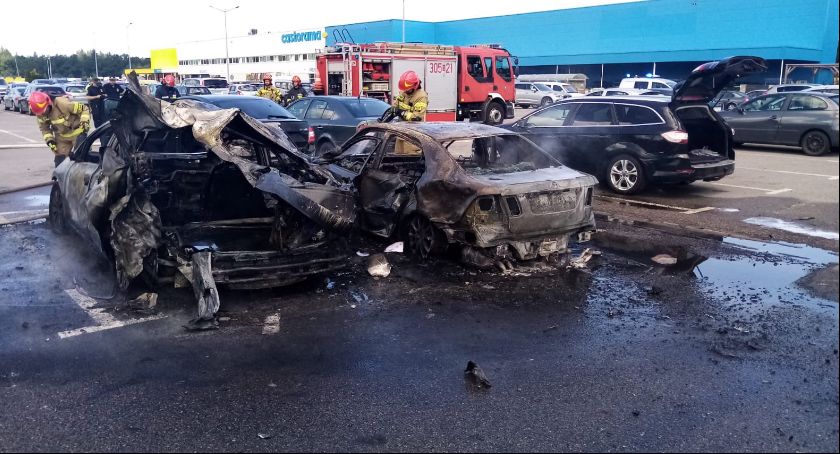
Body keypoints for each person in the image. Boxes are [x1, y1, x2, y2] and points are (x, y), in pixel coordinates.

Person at [29, 91, 91, 167]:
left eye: (44, 111)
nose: (42, 114)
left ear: (48, 103)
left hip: (77, 133)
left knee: (82, 158)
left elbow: (84, 109)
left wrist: (84, 121)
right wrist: (50, 140)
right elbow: (44, 129)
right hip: (62, 137)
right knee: (60, 163)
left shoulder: (63, 104)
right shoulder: (40, 113)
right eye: (40, 113)